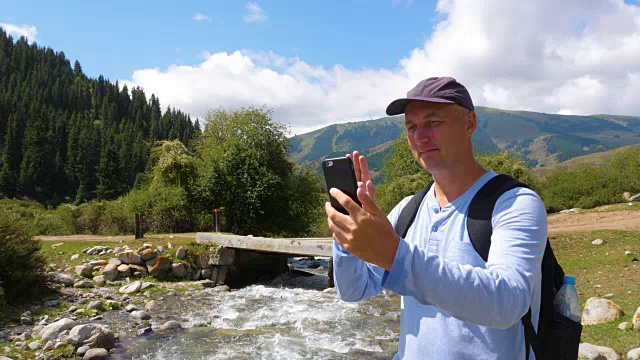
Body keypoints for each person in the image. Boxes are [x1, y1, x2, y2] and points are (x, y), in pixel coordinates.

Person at [325, 77, 548, 359]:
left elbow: (508, 301)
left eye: (433, 123)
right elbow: (354, 290)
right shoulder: (409, 209)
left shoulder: (515, 203)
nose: (420, 137)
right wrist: (348, 235)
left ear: (469, 123)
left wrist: (395, 255)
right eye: (411, 127)